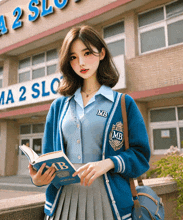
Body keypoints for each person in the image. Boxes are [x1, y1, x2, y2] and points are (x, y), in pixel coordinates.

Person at [29, 25, 151, 220]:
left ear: (102, 53)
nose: (81, 62)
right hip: (63, 201)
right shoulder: (58, 106)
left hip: (109, 202)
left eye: (87, 53)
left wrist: (109, 163)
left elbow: (141, 156)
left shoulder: (122, 104)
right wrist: (38, 179)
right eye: (73, 57)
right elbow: (48, 156)